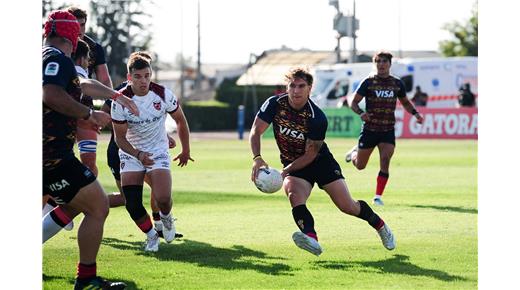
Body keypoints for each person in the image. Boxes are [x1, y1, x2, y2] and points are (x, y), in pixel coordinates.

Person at [249, 67, 395, 256]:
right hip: (293, 164)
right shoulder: (274, 104)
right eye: (292, 85)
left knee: (347, 206)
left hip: (321, 162)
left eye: (301, 86)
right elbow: (256, 130)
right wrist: (257, 158)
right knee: (294, 195)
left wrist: (284, 172)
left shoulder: (317, 117)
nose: (296, 90)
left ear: (310, 88)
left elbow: (310, 155)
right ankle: (311, 238)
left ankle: (380, 225)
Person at [42, 10, 138, 289]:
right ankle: (87, 279)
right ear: (73, 37)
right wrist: (89, 115)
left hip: (48, 154)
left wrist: (114, 94)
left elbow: (81, 83)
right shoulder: (55, 57)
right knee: (98, 205)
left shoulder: (48, 58)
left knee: (73, 205)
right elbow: (51, 94)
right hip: (52, 156)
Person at [111, 52, 193, 252]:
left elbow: (181, 120)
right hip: (131, 153)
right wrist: (138, 154)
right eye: (138, 77)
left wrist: (185, 150)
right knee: (132, 203)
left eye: (147, 75)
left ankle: (166, 218)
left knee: (163, 198)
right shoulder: (120, 101)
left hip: (157, 150)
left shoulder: (163, 94)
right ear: (129, 77)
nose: (143, 81)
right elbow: (119, 138)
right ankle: (151, 236)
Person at [345, 51, 424, 206]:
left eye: (384, 61)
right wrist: (361, 113)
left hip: (387, 130)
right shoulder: (368, 82)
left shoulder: (397, 83)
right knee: (360, 166)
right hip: (370, 130)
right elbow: (353, 103)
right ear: (375, 64)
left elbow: (406, 103)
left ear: (390, 64)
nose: (381, 64)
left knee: (385, 159)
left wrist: (416, 114)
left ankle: (378, 196)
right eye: (378, 61)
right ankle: (354, 153)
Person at [68, 6, 113, 178]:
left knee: (89, 162)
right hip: (59, 108)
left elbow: (104, 80)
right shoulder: (53, 47)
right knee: (56, 160)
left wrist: (106, 109)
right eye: (75, 25)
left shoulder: (94, 47)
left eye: (82, 25)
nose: (79, 29)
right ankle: (53, 204)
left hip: (86, 109)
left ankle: (88, 201)